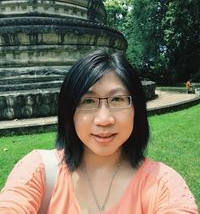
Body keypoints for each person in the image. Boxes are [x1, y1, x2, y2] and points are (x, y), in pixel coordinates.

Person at [0, 50, 198, 214]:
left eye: (118, 100)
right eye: (88, 101)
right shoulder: (38, 172)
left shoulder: (163, 184)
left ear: (136, 108)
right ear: (70, 111)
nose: (104, 120)